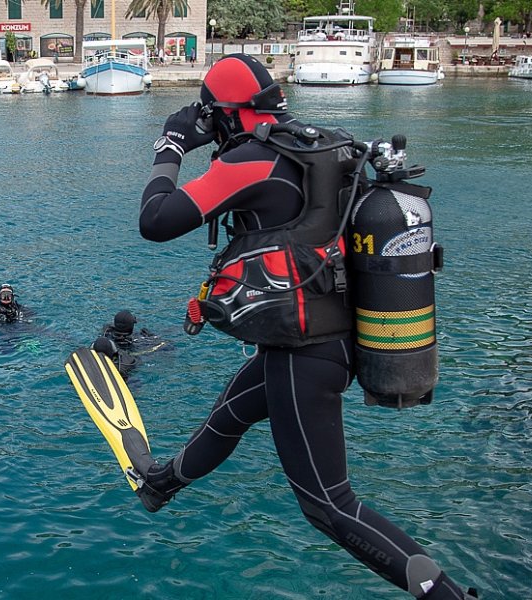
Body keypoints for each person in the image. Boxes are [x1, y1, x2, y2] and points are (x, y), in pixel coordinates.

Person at [134, 53, 478, 599]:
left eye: (211, 117)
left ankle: (448, 597)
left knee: (327, 503)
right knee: (232, 412)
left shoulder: (252, 160)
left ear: (222, 114)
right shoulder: (327, 145)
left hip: (306, 351)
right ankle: (161, 483)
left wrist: (170, 147)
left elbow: (155, 221)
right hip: (334, 333)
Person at [91, 310, 167, 378]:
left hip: (115, 353)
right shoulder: (139, 339)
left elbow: (108, 325)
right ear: (131, 327)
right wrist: (151, 336)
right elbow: (163, 346)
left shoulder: (107, 332)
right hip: (127, 358)